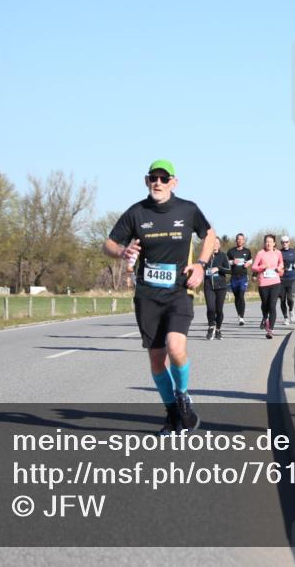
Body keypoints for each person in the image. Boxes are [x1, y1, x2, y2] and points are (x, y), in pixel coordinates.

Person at [104, 159, 216, 433]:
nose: (158, 183)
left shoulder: (187, 209)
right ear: (146, 181)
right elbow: (108, 243)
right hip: (147, 295)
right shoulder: (136, 212)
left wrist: (200, 265)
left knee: (176, 348)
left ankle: (183, 397)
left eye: (164, 179)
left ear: (173, 182)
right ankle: (172, 412)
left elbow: (209, 235)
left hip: (179, 291)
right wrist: (122, 252)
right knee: (156, 359)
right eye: (153, 178)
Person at [251, 234, 283, 339]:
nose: (268, 243)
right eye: (266, 241)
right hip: (263, 283)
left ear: (274, 243)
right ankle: (265, 317)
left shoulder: (278, 253)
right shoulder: (261, 253)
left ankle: (270, 330)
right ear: (264, 243)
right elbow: (254, 267)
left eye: (270, 241)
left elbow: (281, 264)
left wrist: (279, 268)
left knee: (272, 306)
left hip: (275, 282)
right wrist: (262, 267)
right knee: (265, 305)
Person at [203, 237, 230, 340]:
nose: (215, 245)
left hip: (221, 287)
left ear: (219, 245)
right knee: (210, 308)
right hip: (208, 285)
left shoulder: (223, 256)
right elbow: (200, 267)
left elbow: (229, 270)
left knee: (219, 310)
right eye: (213, 243)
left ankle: (218, 329)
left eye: (217, 243)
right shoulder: (206, 255)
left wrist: (218, 268)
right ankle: (210, 327)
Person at [226, 233, 252, 325]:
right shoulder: (231, 251)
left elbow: (250, 260)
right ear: (236, 240)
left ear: (244, 240)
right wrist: (232, 262)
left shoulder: (247, 251)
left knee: (241, 295)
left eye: (241, 239)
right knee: (237, 297)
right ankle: (239, 314)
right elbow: (226, 262)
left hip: (243, 277)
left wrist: (248, 264)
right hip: (234, 277)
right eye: (238, 239)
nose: (240, 241)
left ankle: (242, 317)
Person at [277, 235, 295, 325]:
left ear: (289, 242)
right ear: (281, 243)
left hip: (292, 278)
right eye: (283, 242)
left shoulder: (294, 252)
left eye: (286, 242)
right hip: (281, 279)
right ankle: (285, 318)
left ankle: (291, 310)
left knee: (290, 299)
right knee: (282, 299)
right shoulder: (278, 252)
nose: (285, 244)